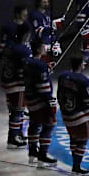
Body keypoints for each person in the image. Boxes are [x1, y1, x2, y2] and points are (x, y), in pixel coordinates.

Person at [57, 57, 89, 176]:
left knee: (74, 138)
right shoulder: (83, 80)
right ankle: (76, 167)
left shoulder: (62, 76)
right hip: (80, 117)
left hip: (66, 115)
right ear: (80, 64)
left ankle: (75, 163)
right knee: (82, 141)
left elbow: (59, 94)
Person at [23, 38, 57, 167]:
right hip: (40, 100)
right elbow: (43, 87)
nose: (45, 48)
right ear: (38, 49)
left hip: (30, 98)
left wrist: (46, 69)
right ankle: (42, 154)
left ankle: (32, 152)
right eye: (43, 46)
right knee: (48, 125)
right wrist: (49, 101)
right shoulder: (40, 65)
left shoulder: (27, 61)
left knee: (34, 123)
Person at [1, 23, 31, 149]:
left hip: (7, 81)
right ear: (25, 34)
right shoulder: (23, 50)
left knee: (15, 110)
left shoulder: (9, 46)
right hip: (17, 84)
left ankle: (17, 134)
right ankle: (13, 138)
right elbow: (28, 67)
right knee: (17, 111)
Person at [29, 0, 63, 65]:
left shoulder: (48, 13)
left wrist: (55, 41)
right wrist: (52, 27)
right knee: (43, 65)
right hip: (42, 45)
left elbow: (52, 28)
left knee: (51, 66)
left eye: (47, 2)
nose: (46, 4)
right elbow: (38, 32)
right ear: (38, 3)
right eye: (44, 2)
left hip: (50, 43)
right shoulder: (34, 15)